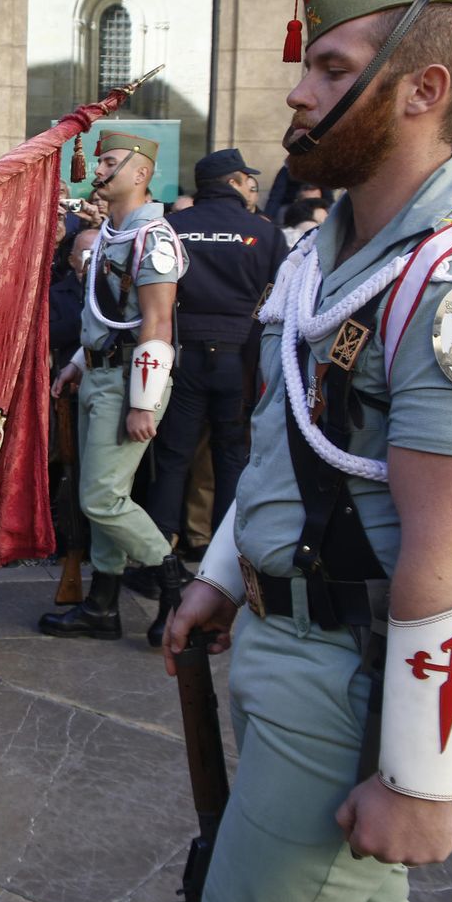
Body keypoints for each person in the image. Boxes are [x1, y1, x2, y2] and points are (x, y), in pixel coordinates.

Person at [164, 0, 452, 902]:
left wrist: (420, 780)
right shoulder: (321, 258)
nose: (299, 95)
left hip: (358, 673)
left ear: (421, 90)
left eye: (332, 70)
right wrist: (225, 576)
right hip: (284, 636)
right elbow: (282, 447)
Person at [39, 132, 189, 647]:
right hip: (102, 374)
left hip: (129, 380)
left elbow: (157, 323)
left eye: (108, 161)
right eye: (99, 159)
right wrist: (80, 362)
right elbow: (107, 314)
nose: (98, 169)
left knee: (101, 497)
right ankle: (102, 605)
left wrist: (143, 401)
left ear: (140, 173)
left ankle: (174, 583)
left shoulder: (156, 239)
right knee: (102, 495)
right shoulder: (111, 233)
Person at [146, 148, 287, 593]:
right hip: (240, 356)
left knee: (173, 456)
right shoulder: (264, 233)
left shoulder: (172, 227)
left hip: (182, 352)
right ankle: (223, 562)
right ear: (233, 181)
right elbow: (278, 301)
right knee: (232, 457)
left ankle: (160, 556)